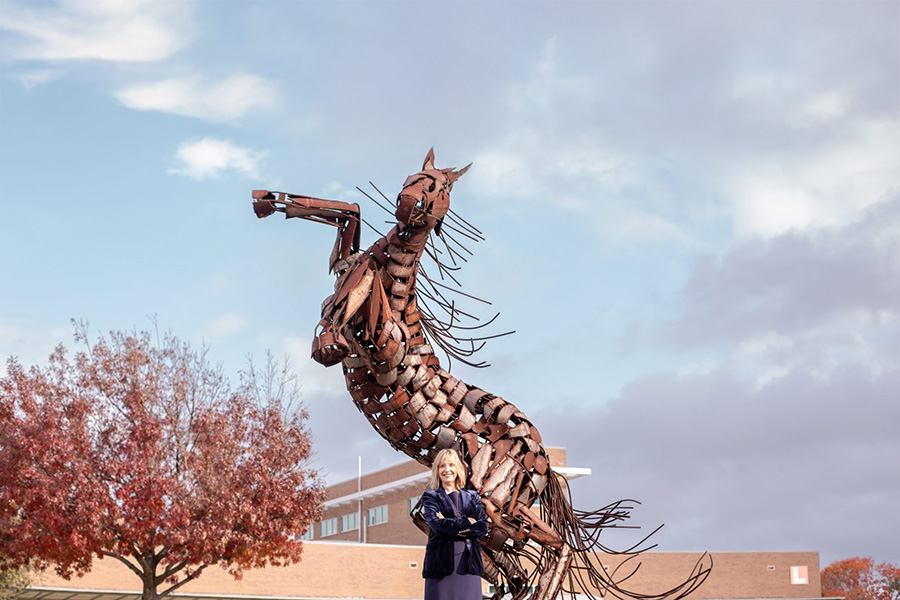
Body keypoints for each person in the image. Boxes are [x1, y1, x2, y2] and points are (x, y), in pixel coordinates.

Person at [421, 448, 489, 600]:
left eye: (451, 465)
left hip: (468, 565)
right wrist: (467, 522)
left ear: (457, 468)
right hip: (441, 567)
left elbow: (483, 527)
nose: (447, 470)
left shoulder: (472, 496)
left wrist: (449, 523)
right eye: (442, 466)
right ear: (437, 470)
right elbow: (437, 525)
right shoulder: (431, 496)